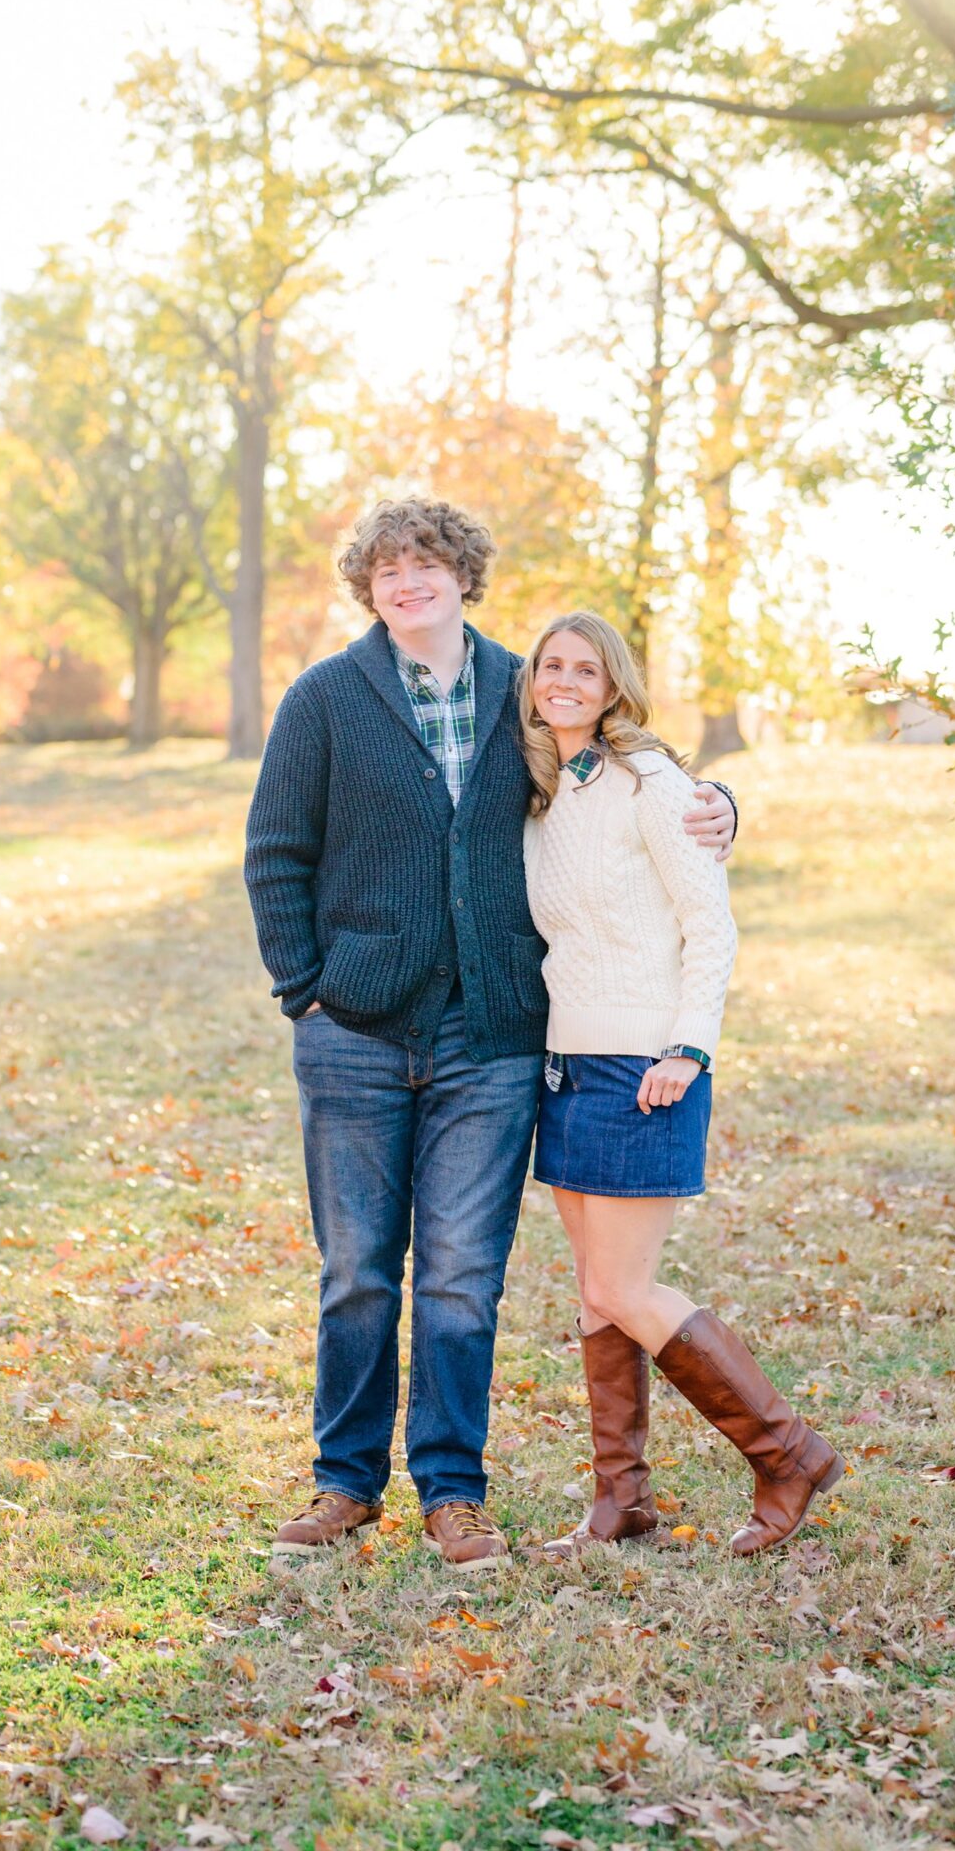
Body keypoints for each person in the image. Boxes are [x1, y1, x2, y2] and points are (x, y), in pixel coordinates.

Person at [243, 498, 737, 1569]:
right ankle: (344, 1484)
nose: (405, 580)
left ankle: (452, 1491)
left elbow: (636, 771)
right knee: (358, 1273)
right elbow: (274, 852)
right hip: (355, 1034)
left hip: (495, 1039)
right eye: (383, 569)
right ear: (366, 588)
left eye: (424, 562)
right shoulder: (324, 698)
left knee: (463, 1275)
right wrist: (306, 992)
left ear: (462, 573)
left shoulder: (527, 687)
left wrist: (722, 804)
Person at [521, 611, 843, 1558]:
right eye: (551, 666)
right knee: (594, 1291)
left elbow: (712, 928)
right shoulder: (543, 790)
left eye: (586, 668)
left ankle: (786, 1453)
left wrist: (687, 1050)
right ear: (533, 681)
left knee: (624, 1284)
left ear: (614, 685)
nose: (566, 681)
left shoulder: (654, 785)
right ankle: (620, 1504)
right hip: (565, 1062)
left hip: (644, 1066)